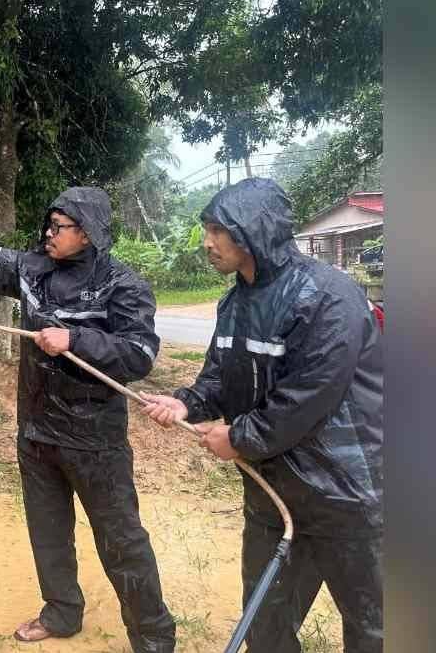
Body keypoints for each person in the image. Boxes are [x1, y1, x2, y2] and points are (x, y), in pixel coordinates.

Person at [0, 188, 176, 651]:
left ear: (87, 233)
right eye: (49, 223)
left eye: (59, 226)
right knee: (48, 533)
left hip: (95, 442)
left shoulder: (123, 285)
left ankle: (154, 636)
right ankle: (62, 612)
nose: (48, 233)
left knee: (121, 540)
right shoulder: (31, 270)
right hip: (38, 432)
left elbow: (139, 355)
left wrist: (76, 339)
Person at [140, 178, 383, 652]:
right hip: (273, 490)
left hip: (346, 495)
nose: (207, 243)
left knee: (374, 624)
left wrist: (240, 438)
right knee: (266, 623)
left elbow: (310, 394)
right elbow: (219, 376)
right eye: (206, 229)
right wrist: (187, 401)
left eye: (217, 230)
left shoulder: (328, 297)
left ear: (252, 232)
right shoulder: (235, 303)